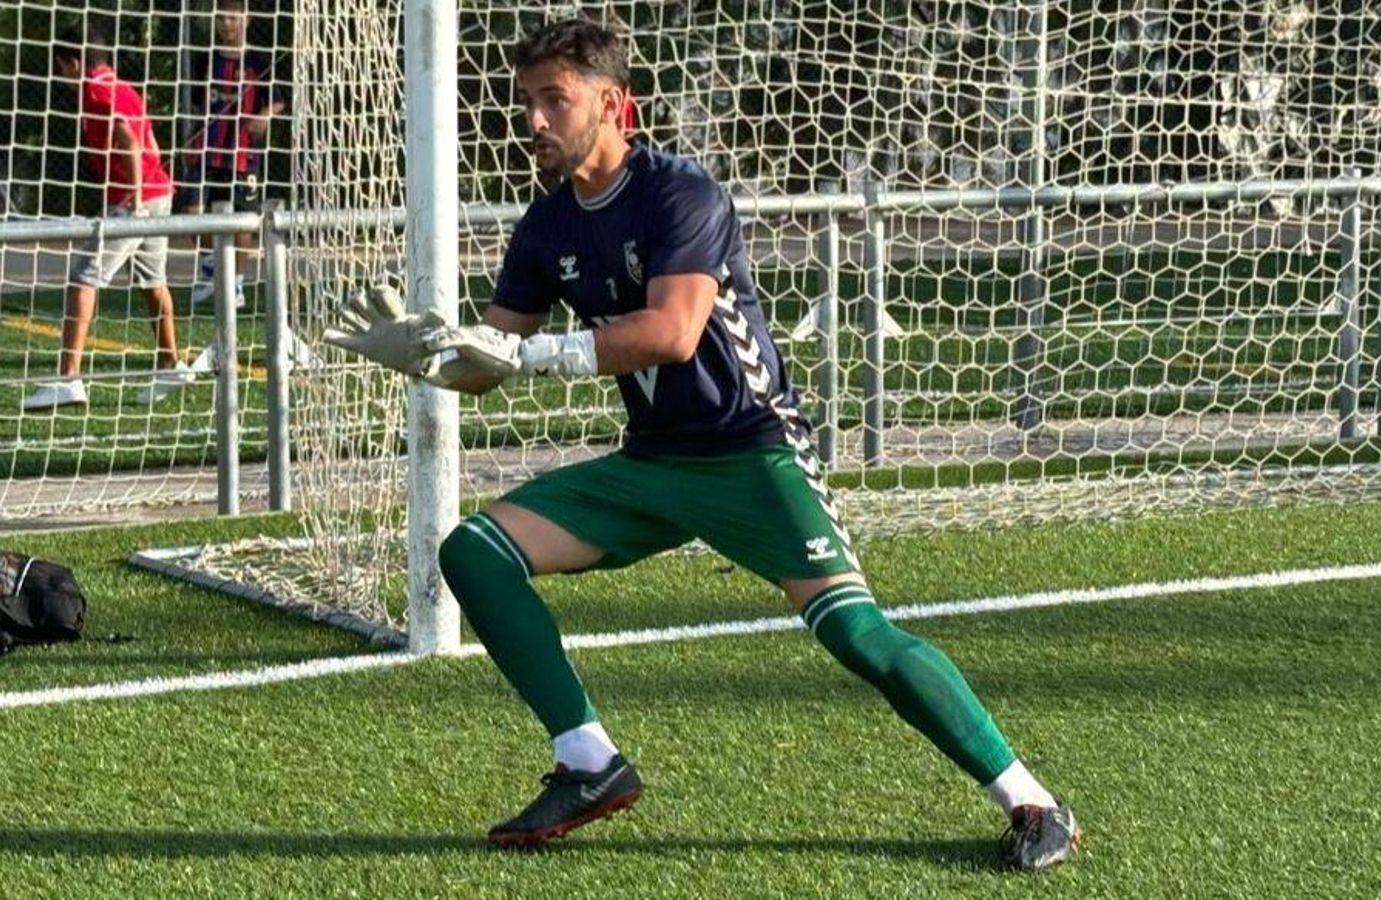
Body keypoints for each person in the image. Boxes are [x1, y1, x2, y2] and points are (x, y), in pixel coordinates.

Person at [323, 18, 1079, 872]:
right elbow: (490, 360)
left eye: (553, 100)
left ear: (614, 105)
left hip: (752, 454)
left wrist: (529, 353)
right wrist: (426, 358)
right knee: (474, 552)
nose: (532, 119)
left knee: (856, 635)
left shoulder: (682, 193)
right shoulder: (545, 226)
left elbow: (673, 333)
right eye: (526, 101)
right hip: (654, 463)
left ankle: (1031, 800)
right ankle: (589, 762)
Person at [24, 23, 192, 411]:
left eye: (61, 65)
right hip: (158, 194)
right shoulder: (124, 87)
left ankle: (68, 378)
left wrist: (133, 195)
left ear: (76, 62)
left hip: (136, 201)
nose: (60, 74)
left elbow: (130, 141)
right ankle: (170, 363)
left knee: (83, 277)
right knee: (154, 280)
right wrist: (157, 181)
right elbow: (149, 139)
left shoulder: (97, 91)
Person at [178, 0, 286, 309]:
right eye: (222, 17)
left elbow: (278, 101)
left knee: (243, 223)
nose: (227, 22)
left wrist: (265, 114)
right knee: (193, 218)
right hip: (205, 152)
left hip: (242, 155)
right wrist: (191, 139)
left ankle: (235, 283)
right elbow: (201, 107)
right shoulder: (206, 61)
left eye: (233, 16)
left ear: (246, 19)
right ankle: (213, 265)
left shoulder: (258, 60)